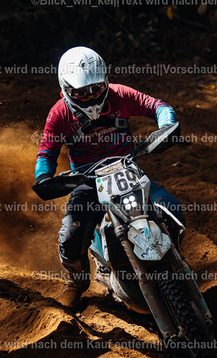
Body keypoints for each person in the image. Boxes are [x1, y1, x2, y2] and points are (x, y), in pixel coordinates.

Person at [34, 46, 184, 311]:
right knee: (70, 235)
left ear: (105, 81)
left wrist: (166, 125)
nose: (91, 97)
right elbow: (47, 151)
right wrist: (44, 176)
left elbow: (157, 106)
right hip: (87, 181)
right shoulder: (59, 113)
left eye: (96, 89)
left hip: (127, 170)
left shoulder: (119, 94)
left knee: (171, 209)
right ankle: (76, 281)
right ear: (66, 90)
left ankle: (172, 258)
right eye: (82, 93)